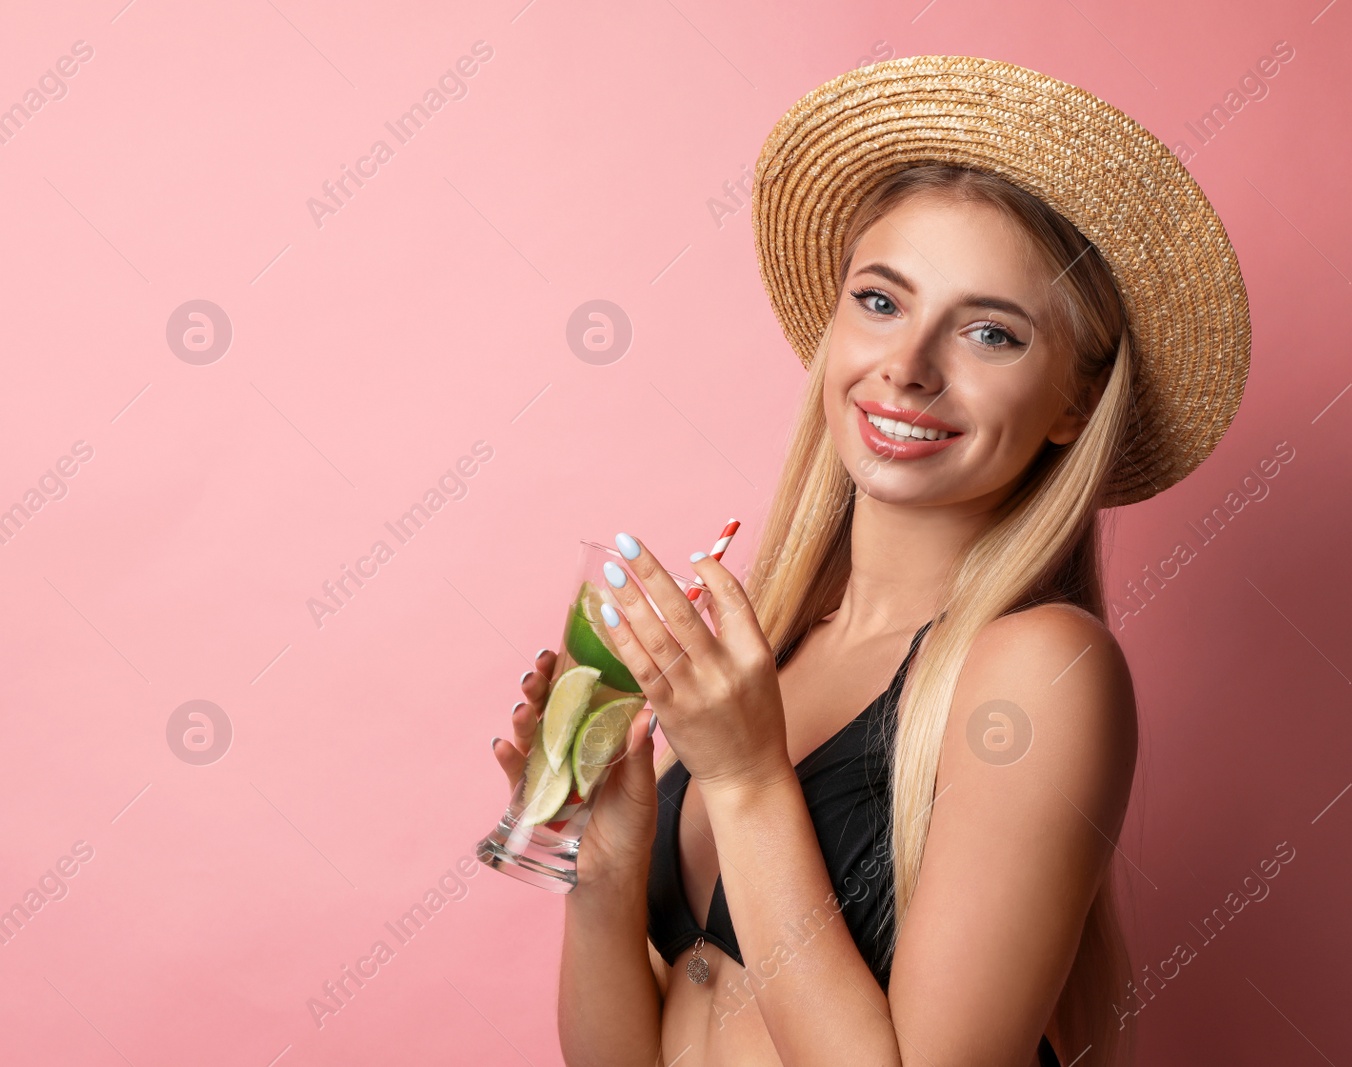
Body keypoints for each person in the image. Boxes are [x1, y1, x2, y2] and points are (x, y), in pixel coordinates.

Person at [492, 55, 1250, 1067]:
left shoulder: (1040, 669)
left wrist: (749, 776)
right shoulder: (775, 642)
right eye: (882, 301)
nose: (908, 365)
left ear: (1072, 403)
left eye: (990, 332)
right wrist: (608, 862)